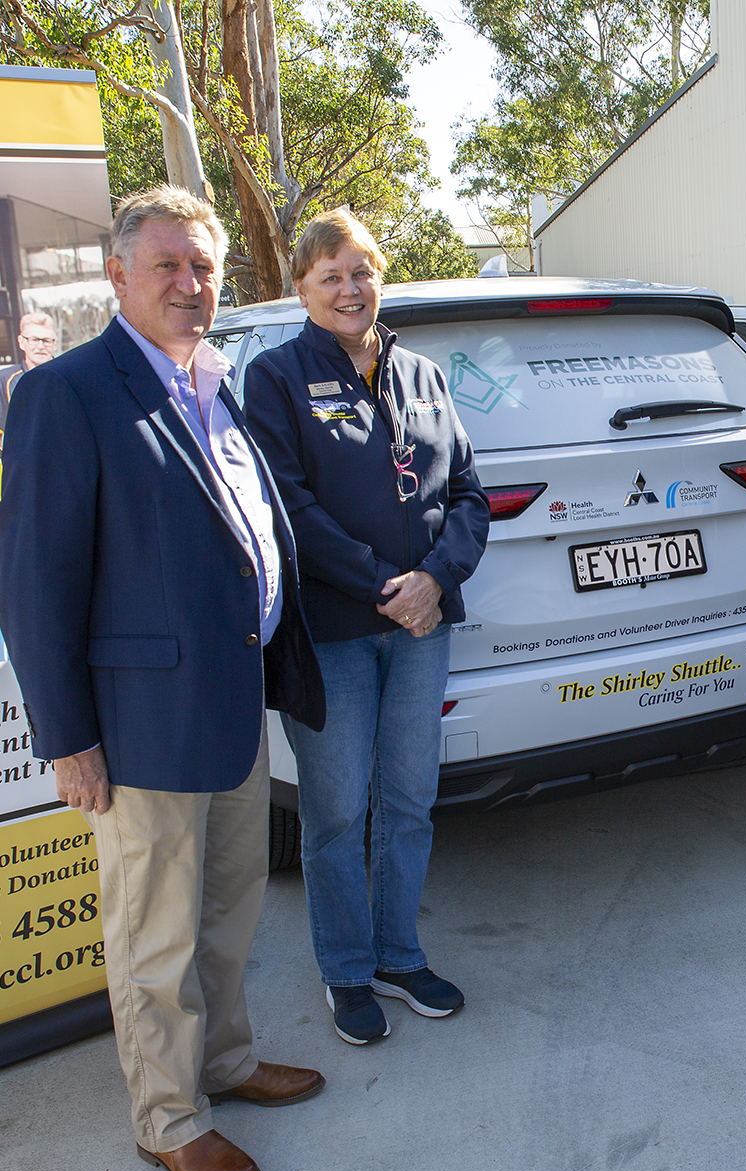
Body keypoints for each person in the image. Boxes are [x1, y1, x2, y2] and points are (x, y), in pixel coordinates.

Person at [0, 185, 328, 1171]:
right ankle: (169, 1115)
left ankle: (223, 1061)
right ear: (118, 276)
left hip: (231, 706)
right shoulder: (68, 393)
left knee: (228, 911)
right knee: (155, 933)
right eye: (168, 265)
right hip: (140, 727)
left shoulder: (214, 383)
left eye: (204, 266)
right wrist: (69, 738)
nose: (190, 284)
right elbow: (36, 585)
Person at [243, 209, 489, 1046]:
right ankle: (346, 969)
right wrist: (384, 583)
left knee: (410, 799)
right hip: (335, 631)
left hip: (423, 625)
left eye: (360, 272)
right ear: (301, 289)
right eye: (330, 277)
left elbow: (468, 493)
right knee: (338, 811)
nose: (349, 290)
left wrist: (436, 578)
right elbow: (286, 506)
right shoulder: (275, 378)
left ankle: (397, 955)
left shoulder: (421, 373)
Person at [0, 311, 57, 445]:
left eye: (46, 340)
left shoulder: (69, 376)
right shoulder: (4, 379)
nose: (40, 346)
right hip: (24, 457)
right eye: (34, 340)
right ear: (21, 342)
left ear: (54, 344)